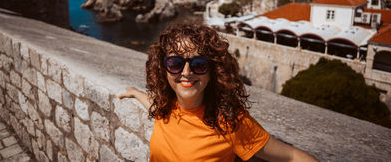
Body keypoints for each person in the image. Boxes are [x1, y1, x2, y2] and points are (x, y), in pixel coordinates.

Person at [118, 23, 318, 162]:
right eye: (175, 63)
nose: (186, 73)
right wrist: (135, 93)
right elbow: (151, 101)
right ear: (164, 69)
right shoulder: (165, 106)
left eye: (198, 64)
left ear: (213, 70)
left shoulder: (230, 123)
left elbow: (292, 157)